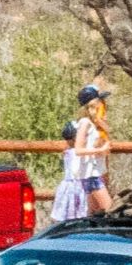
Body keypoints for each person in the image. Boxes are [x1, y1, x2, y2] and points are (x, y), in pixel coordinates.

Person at [48, 79, 113, 228]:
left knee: (91, 215)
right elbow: (78, 150)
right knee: (109, 211)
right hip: (91, 176)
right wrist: (100, 150)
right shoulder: (85, 123)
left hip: (92, 174)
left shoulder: (93, 124)